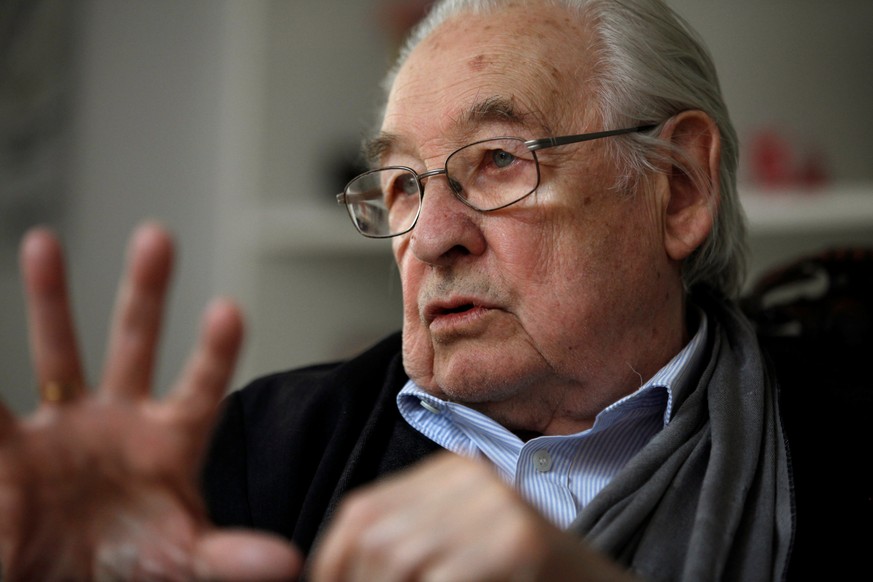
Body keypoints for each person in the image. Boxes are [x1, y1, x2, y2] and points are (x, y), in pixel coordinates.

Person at [0, 0, 824, 579]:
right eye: (400, 186)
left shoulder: (838, 427)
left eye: (499, 160)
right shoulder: (256, 454)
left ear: (676, 189)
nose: (430, 239)